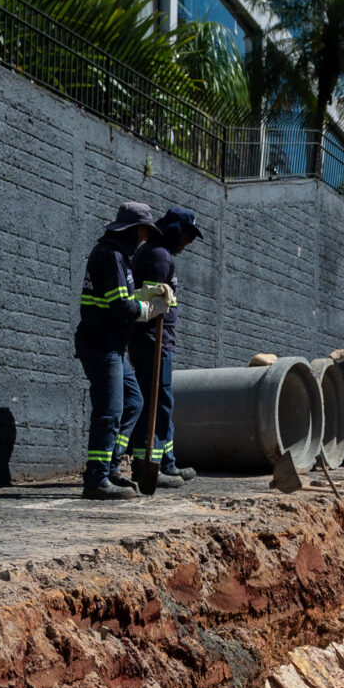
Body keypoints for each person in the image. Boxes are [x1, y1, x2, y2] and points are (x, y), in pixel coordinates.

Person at [75, 202, 170, 501]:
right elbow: (120, 306)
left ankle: (111, 465)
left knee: (133, 401)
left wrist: (144, 295)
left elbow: (120, 297)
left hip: (113, 347)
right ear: (132, 229)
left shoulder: (118, 257)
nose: (144, 239)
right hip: (102, 345)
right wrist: (149, 308)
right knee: (109, 411)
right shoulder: (111, 256)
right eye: (143, 231)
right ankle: (97, 478)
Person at [126, 207, 203, 493]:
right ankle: (151, 464)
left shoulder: (161, 254)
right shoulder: (158, 255)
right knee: (156, 402)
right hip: (152, 342)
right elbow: (149, 303)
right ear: (174, 230)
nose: (190, 241)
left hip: (159, 341)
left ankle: (166, 462)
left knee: (164, 401)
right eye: (187, 235)